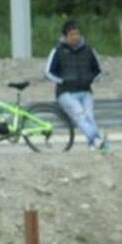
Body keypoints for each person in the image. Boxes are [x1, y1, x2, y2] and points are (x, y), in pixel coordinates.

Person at [45, 19, 108, 151]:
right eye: (72, 34)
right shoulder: (58, 50)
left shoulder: (88, 49)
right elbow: (48, 72)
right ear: (65, 36)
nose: (75, 37)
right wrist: (62, 81)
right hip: (66, 92)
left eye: (77, 33)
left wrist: (92, 79)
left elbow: (98, 70)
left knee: (89, 117)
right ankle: (97, 139)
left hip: (85, 90)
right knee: (80, 115)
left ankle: (93, 144)